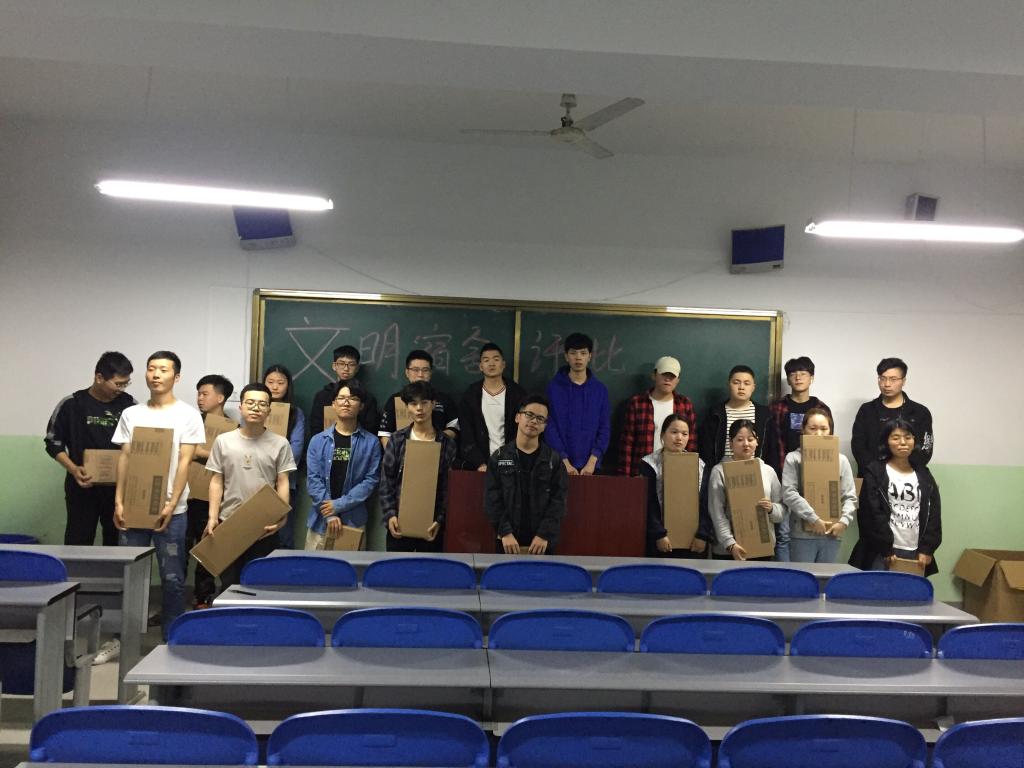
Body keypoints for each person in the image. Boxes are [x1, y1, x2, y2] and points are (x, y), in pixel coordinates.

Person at [113, 351, 205, 640]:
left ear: (176, 377)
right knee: (130, 575)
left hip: (172, 512)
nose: (155, 374)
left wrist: (171, 504)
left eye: (163, 369)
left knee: (173, 578)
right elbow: (125, 458)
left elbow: (185, 462)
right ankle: (125, 638)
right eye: (151, 368)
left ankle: (171, 637)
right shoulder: (132, 414)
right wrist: (119, 501)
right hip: (135, 508)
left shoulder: (188, 415)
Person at [203, 383, 296, 588]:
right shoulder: (223, 441)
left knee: (261, 584)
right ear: (241, 407)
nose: (256, 408)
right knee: (229, 584)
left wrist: (282, 516)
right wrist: (212, 517)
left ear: (269, 410)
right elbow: (216, 480)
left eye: (262, 404)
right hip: (229, 522)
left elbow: (283, 481)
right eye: (250, 403)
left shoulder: (280, 443)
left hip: (263, 526)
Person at [45, 351, 135, 547]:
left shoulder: (130, 406)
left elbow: (140, 445)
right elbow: (53, 442)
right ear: (99, 378)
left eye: (126, 383)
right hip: (82, 486)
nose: (121, 389)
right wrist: (73, 469)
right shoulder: (72, 404)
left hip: (119, 490)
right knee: (78, 540)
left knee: (117, 542)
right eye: (118, 384)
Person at [850, 418, 942, 576]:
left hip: (915, 551)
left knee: (909, 591)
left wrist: (927, 548)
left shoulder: (924, 474)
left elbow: (934, 514)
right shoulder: (875, 471)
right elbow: (870, 513)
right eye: (896, 438)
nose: (903, 442)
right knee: (877, 590)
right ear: (886, 442)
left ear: (914, 441)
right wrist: (885, 547)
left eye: (908, 437)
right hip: (882, 552)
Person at [379, 381, 458, 552]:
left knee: (429, 568)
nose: (419, 408)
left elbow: (449, 488)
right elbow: (386, 481)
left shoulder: (447, 444)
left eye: (424, 402)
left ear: (433, 404)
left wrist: (440, 520)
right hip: (398, 524)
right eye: (413, 403)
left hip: (432, 526)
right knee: (397, 568)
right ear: (407, 407)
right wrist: (390, 514)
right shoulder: (397, 440)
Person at [305, 379, 382, 550]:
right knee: (314, 567)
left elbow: (370, 481)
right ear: (333, 404)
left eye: (353, 398)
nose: (346, 402)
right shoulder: (317, 441)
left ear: (361, 406)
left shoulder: (371, 443)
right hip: (320, 521)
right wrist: (330, 514)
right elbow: (313, 480)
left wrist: (338, 505)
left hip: (354, 522)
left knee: (352, 567)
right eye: (341, 398)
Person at [485, 394, 567, 555]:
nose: (534, 421)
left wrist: (544, 535)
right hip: (507, 542)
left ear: (545, 426)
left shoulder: (553, 461)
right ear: (518, 417)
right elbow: (492, 500)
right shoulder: (499, 457)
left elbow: (558, 502)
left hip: (542, 544)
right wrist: (505, 532)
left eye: (540, 418)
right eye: (529, 415)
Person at [782, 407, 857, 563]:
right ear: (803, 430)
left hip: (832, 533)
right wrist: (813, 518)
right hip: (801, 535)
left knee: (826, 577)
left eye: (824, 429)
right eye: (813, 428)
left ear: (830, 431)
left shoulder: (841, 460)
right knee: (803, 577)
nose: (818, 433)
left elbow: (850, 496)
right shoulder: (793, 458)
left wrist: (843, 522)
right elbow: (789, 493)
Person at [185, 374, 234, 609]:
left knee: (207, 550)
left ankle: (202, 599)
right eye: (198, 394)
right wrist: (212, 452)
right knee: (179, 550)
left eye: (205, 394)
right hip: (184, 497)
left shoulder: (233, 429)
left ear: (220, 398)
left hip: (212, 500)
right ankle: (173, 602)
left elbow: (230, 460)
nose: (200, 398)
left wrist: (198, 452)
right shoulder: (190, 423)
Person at [707, 419, 784, 561]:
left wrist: (772, 509)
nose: (746, 444)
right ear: (731, 443)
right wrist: (730, 544)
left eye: (750, 439)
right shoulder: (719, 471)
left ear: (757, 441)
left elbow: (782, 510)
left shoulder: (768, 471)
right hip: (728, 551)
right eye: (740, 439)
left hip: (762, 548)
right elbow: (716, 512)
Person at [640, 413, 713, 558]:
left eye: (685, 434)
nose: (679, 438)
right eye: (674, 432)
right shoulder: (649, 464)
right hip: (660, 540)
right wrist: (659, 534)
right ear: (662, 434)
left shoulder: (699, 465)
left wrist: (702, 534)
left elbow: (706, 503)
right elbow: (649, 503)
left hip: (693, 541)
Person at [851, 357, 934, 477]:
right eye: (882, 378)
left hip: (909, 477)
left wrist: (903, 471)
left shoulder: (920, 412)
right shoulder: (867, 410)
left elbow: (926, 449)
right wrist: (877, 471)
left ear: (903, 381)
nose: (887, 384)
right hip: (872, 477)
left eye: (893, 379)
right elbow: (858, 447)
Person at [619, 356, 698, 477]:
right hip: (643, 472)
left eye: (672, 376)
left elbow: (691, 443)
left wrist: (687, 473)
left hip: (675, 473)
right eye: (664, 374)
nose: (668, 379)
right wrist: (625, 478)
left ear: (678, 380)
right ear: (654, 375)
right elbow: (627, 443)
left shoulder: (684, 404)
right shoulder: (637, 403)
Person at [544, 332, 610, 476]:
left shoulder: (600, 390)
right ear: (566, 356)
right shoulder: (553, 388)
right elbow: (549, 426)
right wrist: (564, 460)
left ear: (590, 356)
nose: (578, 357)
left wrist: (592, 461)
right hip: (559, 464)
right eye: (573, 353)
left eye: (583, 353)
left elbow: (604, 428)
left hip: (592, 467)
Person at [698, 365, 781, 477]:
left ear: (753, 387)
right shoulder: (715, 414)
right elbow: (706, 451)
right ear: (729, 385)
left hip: (756, 475)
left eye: (747, 383)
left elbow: (772, 452)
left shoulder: (765, 415)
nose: (741, 387)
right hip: (723, 474)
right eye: (736, 382)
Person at [459, 342, 527, 472]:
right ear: (481, 366)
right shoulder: (470, 395)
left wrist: (513, 460)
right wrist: (479, 463)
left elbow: (524, 430)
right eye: (486, 360)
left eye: (496, 359)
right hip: (481, 465)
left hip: (513, 463)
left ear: (503, 364)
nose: (491, 364)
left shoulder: (518, 394)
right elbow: (467, 433)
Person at [378, 350, 459, 448]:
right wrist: (395, 454)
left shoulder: (443, 399)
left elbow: (454, 428)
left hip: (436, 452)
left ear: (430, 372)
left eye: (425, 370)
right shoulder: (395, 400)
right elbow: (385, 434)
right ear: (407, 372)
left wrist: (434, 441)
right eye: (415, 370)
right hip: (402, 453)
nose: (420, 374)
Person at [263, 364, 306, 548]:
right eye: (270, 382)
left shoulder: (296, 414)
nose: (275, 387)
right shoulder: (254, 409)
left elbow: (296, 449)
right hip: (256, 482)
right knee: (255, 533)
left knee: (283, 534)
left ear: (288, 386)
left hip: (286, 481)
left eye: (280, 383)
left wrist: (276, 472)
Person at [769, 356, 832, 464]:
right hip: (782, 467)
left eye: (803, 373)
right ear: (788, 380)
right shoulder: (776, 408)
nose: (798, 378)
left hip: (816, 466)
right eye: (792, 374)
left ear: (811, 378)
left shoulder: (822, 409)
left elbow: (828, 442)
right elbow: (771, 443)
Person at [309, 344, 380, 434]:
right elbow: (316, 428)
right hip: (327, 441)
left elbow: (371, 429)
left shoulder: (367, 398)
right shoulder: (322, 396)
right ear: (334, 366)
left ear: (357, 368)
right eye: (341, 364)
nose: (346, 368)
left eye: (351, 364)